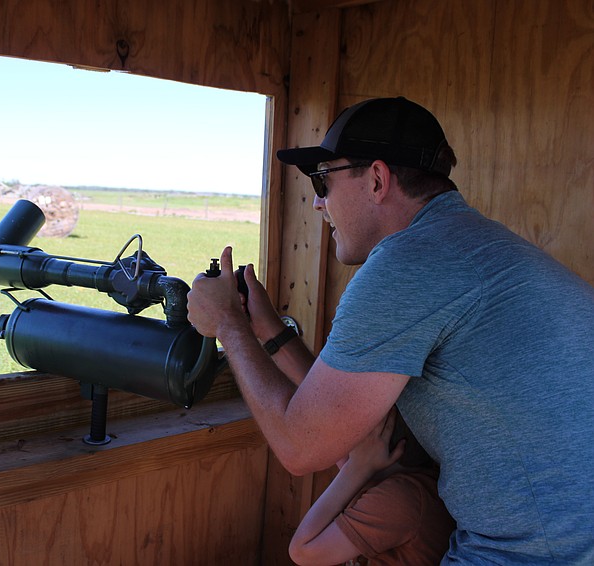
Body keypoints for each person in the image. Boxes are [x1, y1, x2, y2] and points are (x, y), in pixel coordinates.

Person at [186, 96, 594, 563]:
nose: (318, 202)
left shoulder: (408, 264)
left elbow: (301, 447)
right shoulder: (477, 246)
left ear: (377, 179)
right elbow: (341, 414)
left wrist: (228, 326)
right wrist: (267, 329)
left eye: (323, 179)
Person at [289, 408, 455, 566]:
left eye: (356, 437)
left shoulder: (401, 498)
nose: (344, 444)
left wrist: (358, 467)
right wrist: (357, 466)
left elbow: (302, 551)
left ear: (378, 441)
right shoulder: (402, 484)